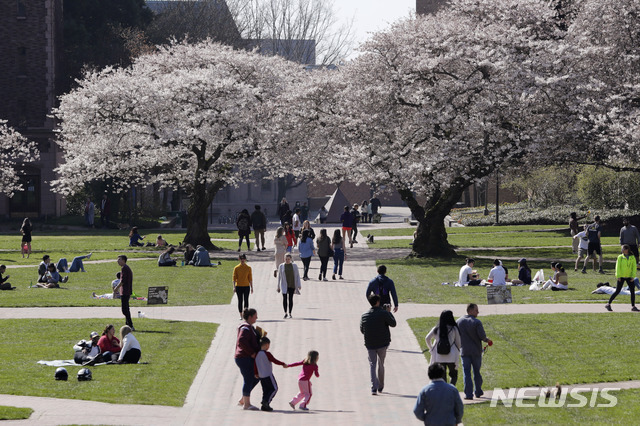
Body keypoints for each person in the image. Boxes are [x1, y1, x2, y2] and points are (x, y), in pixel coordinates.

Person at [360, 294, 397, 395]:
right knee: (381, 364)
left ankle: (374, 387)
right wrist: (389, 313)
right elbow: (393, 323)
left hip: (370, 343)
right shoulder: (383, 313)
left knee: (372, 365)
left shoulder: (364, 315)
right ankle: (380, 386)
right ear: (377, 302)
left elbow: (362, 330)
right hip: (382, 343)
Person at [457, 303, 492, 400]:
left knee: (466, 373)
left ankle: (468, 394)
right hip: (476, 351)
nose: (478, 312)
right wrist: (488, 340)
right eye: (476, 310)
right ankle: (478, 391)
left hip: (464, 351)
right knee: (476, 372)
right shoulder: (476, 322)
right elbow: (482, 336)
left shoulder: (459, 321)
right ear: (471, 311)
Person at [424, 310, 461, 385]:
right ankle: (451, 389)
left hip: (439, 356)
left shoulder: (436, 329)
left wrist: (431, 349)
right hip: (452, 356)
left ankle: (444, 390)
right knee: (454, 375)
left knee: (442, 377)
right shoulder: (454, 329)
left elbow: (427, 338)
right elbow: (458, 343)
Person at [235, 308, 260, 410]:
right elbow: (241, 340)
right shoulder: (245, 328)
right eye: (255, 316)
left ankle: (243, 399)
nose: (257, 318)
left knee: (255, 378)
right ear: (250, 317)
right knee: (249, 379)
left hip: (245, 357)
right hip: (244, 357)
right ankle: (246, 404)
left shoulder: (248, 327)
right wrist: (252, 353)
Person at [253, 337, 287, 412]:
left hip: (261, 376)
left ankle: (264, 406)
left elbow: (255, 364)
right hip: (268, 375)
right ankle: (266, 402)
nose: (269, 347)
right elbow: (274, 360)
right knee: (274, 388)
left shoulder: (257, 354)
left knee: (266, 390)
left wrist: (256, 373)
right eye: (269, 345)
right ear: (266, 345)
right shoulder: (267, 354)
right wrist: (283, 364)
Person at [606, 244, 639, 312]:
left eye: (623, 249)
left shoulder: (632, 257)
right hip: (621, 276)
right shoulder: (620, 257)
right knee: (617, 291)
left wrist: (633, 276)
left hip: (629, 276)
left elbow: (634, 267)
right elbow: (617, 267)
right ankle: (608, 304)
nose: (622, 250)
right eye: (622, 249)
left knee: (632, 291)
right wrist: (618, 276)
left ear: (627, 250)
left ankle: (633, 306)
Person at [277, 253, 301, 319]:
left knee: (290, 298)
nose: (287, 260)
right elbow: (279, 277)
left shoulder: (294, 266)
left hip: (292, 284)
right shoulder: (281, 266)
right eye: (286, 259)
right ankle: (285, 313)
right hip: (284, 284)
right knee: (284, 298)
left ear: (290, 259)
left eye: (288, 259)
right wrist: (278, 286)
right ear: (284, 259)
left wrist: (299, 284)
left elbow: (297, 275)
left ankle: (290, 313)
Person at [114, 255, 134, 330]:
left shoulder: (125, 268)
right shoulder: (125, 268)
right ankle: (127, 325)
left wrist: (116, 288)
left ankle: (130, 325)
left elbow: (123, 281)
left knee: (125, 309)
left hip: (125, 291)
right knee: (125, 309)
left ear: (123, 260)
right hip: (126, 291)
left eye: (119, 259)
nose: (117, 261)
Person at [233, 254, 253, 319]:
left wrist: (252, 287)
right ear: (239, 259)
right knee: (240, 300)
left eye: (243, 259)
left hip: (246, 286)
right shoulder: (236, 268)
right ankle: (241, 314)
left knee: (246, 300)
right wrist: (234, 287)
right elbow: (234, 278)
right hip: (239, 286)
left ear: (245, 259)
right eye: (241, 259)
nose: (242, 260)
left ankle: (246, 314)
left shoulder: (248, 268)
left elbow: (250, 278)